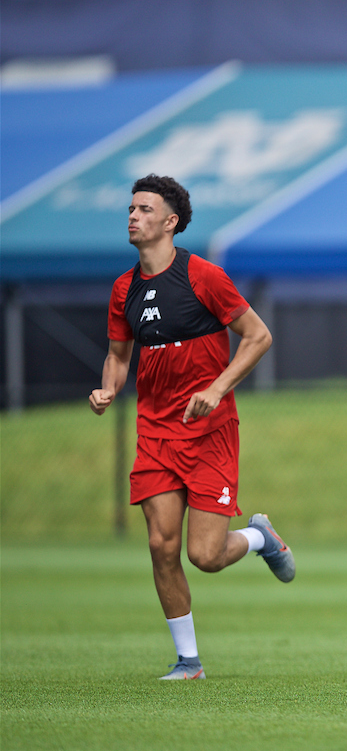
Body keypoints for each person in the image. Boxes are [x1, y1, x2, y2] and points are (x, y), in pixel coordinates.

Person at [89, 174, 294, 681]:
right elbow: (118, 356)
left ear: (170, 222)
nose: (132, 216)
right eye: (130, 208)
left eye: (143, 209)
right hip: (156, 433)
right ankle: (189, 662)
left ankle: (260, 538)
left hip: (209, 431)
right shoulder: (124, 289)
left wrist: (218, 388)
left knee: (204, 555)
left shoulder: (203, 276)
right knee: (161, 546)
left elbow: (258, 336)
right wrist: (108, 388)